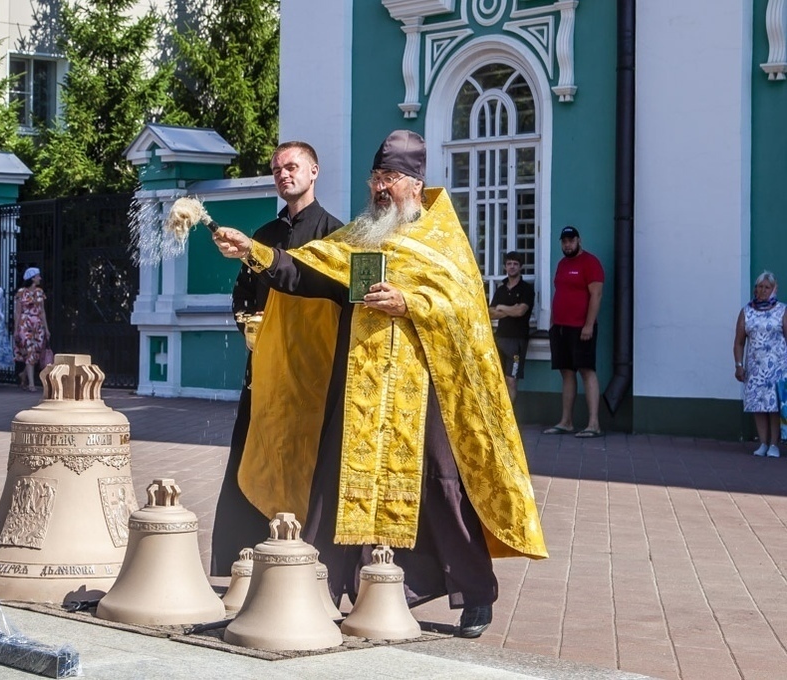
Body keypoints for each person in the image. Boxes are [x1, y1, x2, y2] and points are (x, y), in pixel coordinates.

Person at [211, 130, 547, 638]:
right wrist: (256, 253)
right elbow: (313, 277)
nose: (380, 189)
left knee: (440, 482)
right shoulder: (365, 238)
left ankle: (476, 594)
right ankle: (323, 587)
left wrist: (411, 304)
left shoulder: (440, 239)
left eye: (389, 179)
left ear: (415, 183)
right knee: (338, 477)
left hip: (424, 389)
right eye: (375, 179)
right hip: (362, 383)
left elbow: (465, 312)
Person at [210, 141, 344, 578]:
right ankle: (246, 555)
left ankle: (311, 555)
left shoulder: (335, 234)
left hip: (313, 372)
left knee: (312, 457)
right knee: (255, 449)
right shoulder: (264, 235)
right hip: (264, 368)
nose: (284, 174)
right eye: (277, 170)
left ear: (314, 171)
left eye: (292, 167)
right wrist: (246, 325)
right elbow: (242, 293)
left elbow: (337, 299)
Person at [542, 226, 605, 438]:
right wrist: (552, 323)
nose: (567, 244)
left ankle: (593, 424)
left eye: (571, 240)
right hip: (560, 328)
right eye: (564, 241)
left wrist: (588, 325)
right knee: (566, 373)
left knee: (586, 370)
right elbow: (558, 293)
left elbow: (596, 296)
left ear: (579, 240)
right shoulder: (562, 264)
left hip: (581, 329)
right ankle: (566, 422)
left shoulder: (590, 263)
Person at [733, 271, 787, 457]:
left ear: (773, 289)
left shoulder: (782, 310)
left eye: (766, 287)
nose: (762, 290)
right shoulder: (747, 311)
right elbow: (739, 342)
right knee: (758, 405)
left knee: (774, 407)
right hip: (756, 368)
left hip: (778, 367)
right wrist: (739, 365)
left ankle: (774, 444)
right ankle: (763, 443)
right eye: (759, 287)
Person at [489, 251, 535, 403]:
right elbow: (490, 313)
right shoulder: (501, 289)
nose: (512, 267)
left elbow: (521, 311)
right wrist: (510, 310)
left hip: (517, 342)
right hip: (500, 338)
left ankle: (511, 420)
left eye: (515, 264)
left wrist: (502, 307)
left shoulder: (526, 289)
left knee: (511, 380)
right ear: (505, 266)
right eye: (509, 264)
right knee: (498, 380)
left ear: (520, 267)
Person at [14, 266, 50, 393]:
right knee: (30, 352)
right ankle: (31, 384)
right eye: (37, 276)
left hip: (38, 325)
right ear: (32, 278)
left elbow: (42, 311)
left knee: (36, 353)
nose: (39, 278)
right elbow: (18, 313)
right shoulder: (21, 292)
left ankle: (23, 375)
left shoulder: (40, 292)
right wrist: (16, 329)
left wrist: (46, 329)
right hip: (25, 324)